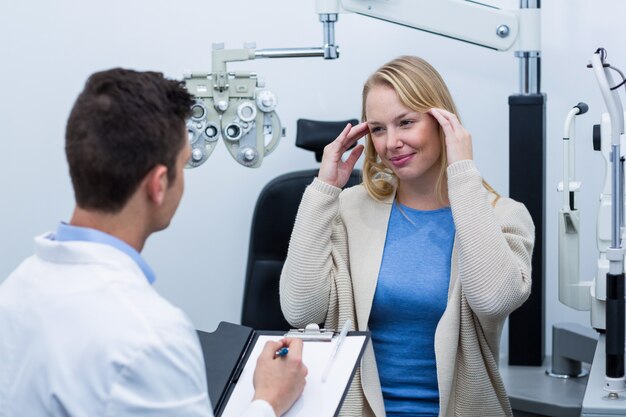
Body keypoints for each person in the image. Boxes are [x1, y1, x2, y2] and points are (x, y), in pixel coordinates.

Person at [0, 68, 307, 417]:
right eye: (185, 162)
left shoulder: (14, 290)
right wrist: (268, 399)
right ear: (159, 184)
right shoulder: (149, 335)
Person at [280, 55, 535, 417]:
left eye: (406, 123)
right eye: (379, 129)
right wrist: (324, 189)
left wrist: (462, 171)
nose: (392, 143)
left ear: (442, 122)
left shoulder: (502, 216)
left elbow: (493, 300)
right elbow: (300, 309)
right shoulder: (349, 210)